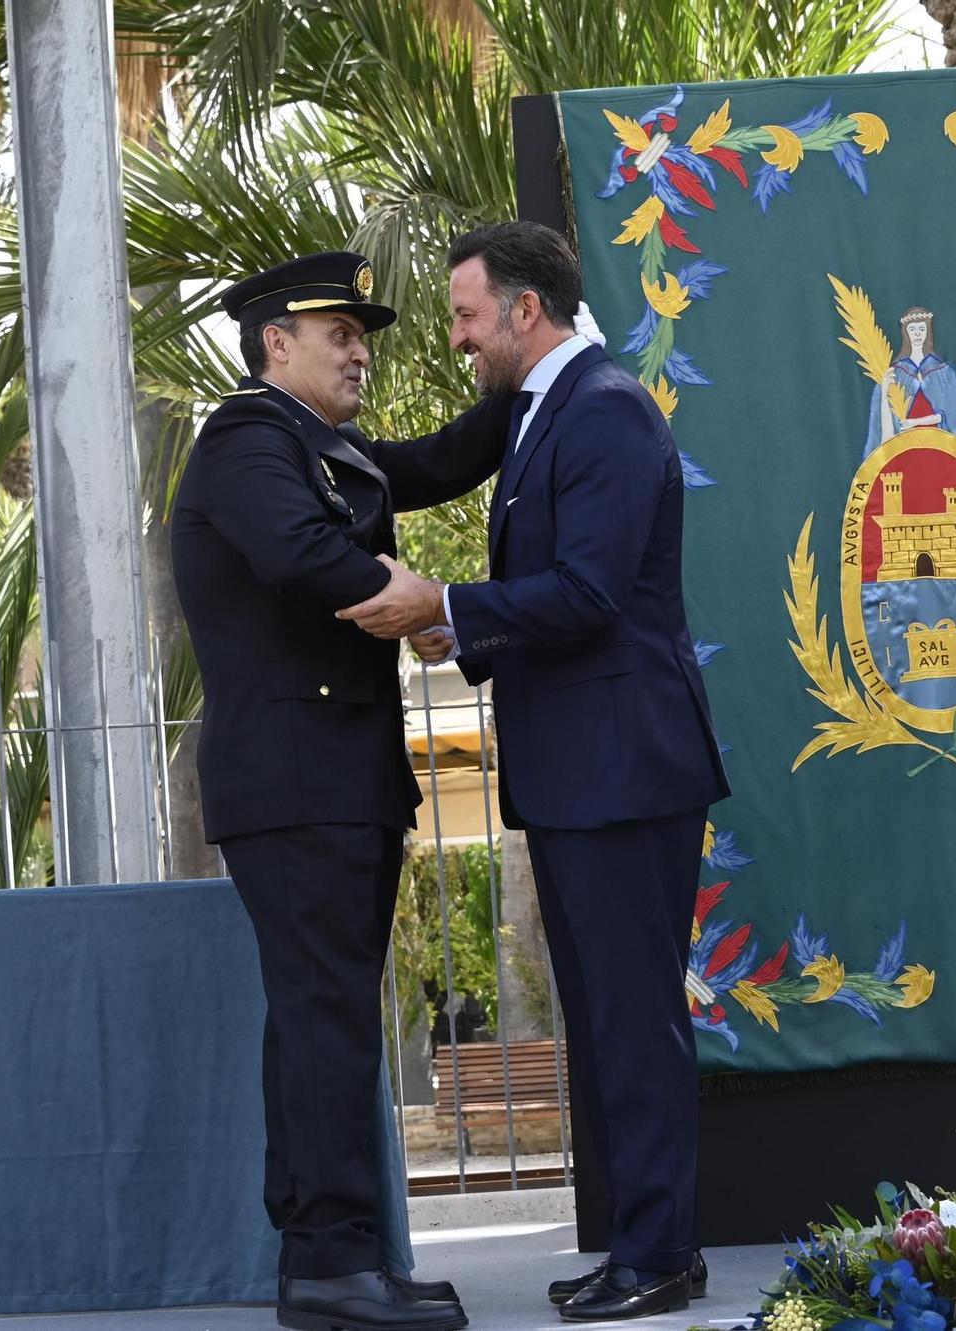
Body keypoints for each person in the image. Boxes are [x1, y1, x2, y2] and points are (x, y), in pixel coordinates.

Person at [337, 222, 730, 1322]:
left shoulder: (600, 410)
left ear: (523, 310)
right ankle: (643, 1248)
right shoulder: (544, 406)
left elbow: (590, 591)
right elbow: (432, 476)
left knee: (635, 1012)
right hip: (585, 772)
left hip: (625, 769)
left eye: (465, 314)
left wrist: (448, 605)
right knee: (608, 1014)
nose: (455, 336)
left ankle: (656, 1255)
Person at [169, 250, 516, 1331]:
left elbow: (433, 461)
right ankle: (327, 1264)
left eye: (363, 333)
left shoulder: (324, 445)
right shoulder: (246, 437)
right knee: (323, 1022)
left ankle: (339, 1251)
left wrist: (532, 376)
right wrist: (412, 596)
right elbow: (299, 550)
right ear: (276, 341)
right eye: (340, 332)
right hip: (294, 779)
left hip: (338, 776)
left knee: (327, 1023)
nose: (362, 348)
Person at [866, 306, 956, 455]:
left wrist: (914, 423)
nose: (917, 334)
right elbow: (885, 429)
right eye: (912, 329)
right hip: (905, 451)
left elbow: (954, 416)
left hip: (939, 448)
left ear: (928, 332)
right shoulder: (897, 373)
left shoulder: (943, 372)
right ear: (906, 332)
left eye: (922, 329)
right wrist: (885, 388)